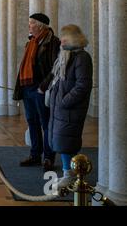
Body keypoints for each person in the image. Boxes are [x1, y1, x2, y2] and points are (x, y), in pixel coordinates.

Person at [13, 13, 60, 171]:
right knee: (32, 122)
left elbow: (56, 67)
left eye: (32, 23)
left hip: (41, 89)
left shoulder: (53, 42)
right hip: (28, 88)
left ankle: (48, 157)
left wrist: (43, 86)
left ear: (40, 26)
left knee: (46, 123)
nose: (29, 26)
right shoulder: (31, 42)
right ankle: (35, 155)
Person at [48, 25, 92, 189]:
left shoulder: (82, 57)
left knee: (67, 142)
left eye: (65, 36)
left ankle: (70, 176)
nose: (62, 40)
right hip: (62, 109)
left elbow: (83, 85)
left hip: (70, 109)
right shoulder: (67, 55)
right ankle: (68, 173)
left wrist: (64, 101)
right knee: (63, 140)